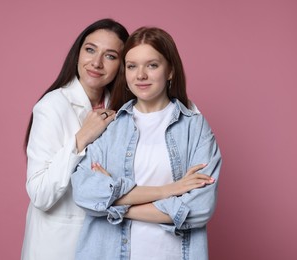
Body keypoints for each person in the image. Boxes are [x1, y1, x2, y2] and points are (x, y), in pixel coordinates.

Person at [71, 26, 222, 260]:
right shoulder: (110, 127)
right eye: (132, 66)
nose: (140, 75)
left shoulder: (195, 127)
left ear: (170, 70)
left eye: (152, 65)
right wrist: (168, 191)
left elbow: (199, 208)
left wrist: (113, 204)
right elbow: (84, 193)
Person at [21, 18, 129, 260]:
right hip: (58, 245)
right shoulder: (52, 106)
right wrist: (80, 139)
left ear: (123, 65)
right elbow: (40, 194)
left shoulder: (122, 109)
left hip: (106, 241)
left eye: (110, 56)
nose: (96, 63)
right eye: (90, 50)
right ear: (78, 53)